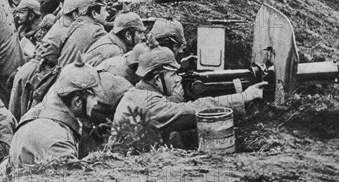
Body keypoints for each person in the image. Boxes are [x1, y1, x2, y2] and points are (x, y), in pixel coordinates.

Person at [111, 43, 267, 149]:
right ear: (158, 79)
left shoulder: (137, 94)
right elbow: (191, 110)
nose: (178, 79)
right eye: (173, 75)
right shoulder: (149, 103)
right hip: (128, 168)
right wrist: (242, 98)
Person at [8, 59, 102, 169]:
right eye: (94, 96)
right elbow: (74, 181)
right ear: (77, 101)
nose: (96, 102)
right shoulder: (56, 140)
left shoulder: (41, 112)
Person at [8, 0, 86, 120]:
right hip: (37, 70)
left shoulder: (58, 24)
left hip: (32, 68)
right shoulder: (67, 29)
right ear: (76, 14)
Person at [57, 0, 108, 68]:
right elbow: (111, 46)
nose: (108, 14)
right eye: (105, 10)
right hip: (75, 75)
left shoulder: (76, 24)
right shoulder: (97, 31)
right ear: (94, 13)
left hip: (63, 73)